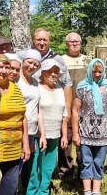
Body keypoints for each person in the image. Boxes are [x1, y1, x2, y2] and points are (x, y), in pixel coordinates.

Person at [72, 59, 107, 195]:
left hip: (103, 132)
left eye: (100, 71)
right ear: (90, 71)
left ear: (103, 72)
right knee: (86, 161)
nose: (97, 74)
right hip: (85, 131)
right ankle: (87, 190)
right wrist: (75, 133)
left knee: (99, 161)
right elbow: (75, 110)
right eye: (94, 71)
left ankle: (96, 191)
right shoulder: (82, 87)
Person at [0, 54, 30, 195]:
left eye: (8, 67)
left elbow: (22, 117)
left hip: (15, 149)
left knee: (10, 189)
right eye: (0, 67)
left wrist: (25, 145)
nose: (4, 71)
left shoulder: (15, 88)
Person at [27, 59, 68, 195]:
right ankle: (32, 192)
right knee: (35, 167)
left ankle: (44, 191)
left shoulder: (59, 89)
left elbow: (64, 113)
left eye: (56, 72)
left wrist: (64, 136)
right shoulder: (36, 88)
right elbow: (35, 111)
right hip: (39, 135)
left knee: (49, 167)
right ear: (42, 72)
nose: (53, 74)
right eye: (49, 71)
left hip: (55, 134)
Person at [61, 32, 88, 178]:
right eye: (71, 42)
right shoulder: (61, 60)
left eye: (77, 41)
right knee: (67, 139)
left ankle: (83, 170)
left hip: (84, 108)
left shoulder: (88, 60)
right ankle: (66, 170)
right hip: (66, 106)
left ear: (81, 43)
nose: (74, 44)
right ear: (67, 44)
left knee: (82, 140)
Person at [16, 49, 43, 193]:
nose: (32, 66)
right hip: (17, 130)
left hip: (32, 130)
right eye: (29, 62)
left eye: (35, 64)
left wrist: (41, 133)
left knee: (23, 165)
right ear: (23, 61)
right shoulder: (15, 79)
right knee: (14, 167)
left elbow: (38, 108)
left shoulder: (35, 82)